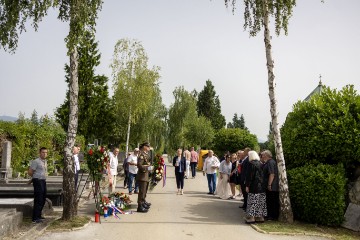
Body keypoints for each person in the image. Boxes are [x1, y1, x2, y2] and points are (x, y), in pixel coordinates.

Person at [245, 150, 267, 223]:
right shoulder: (261, 164)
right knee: (260, 201)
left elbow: (249, 176)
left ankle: (252, 218)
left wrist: (247, 185)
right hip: (261, 185)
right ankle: (260, 217)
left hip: (253, 186)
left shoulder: (250, 164)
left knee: (253, 201)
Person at [28, 147, 48, 224]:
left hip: (43, 181)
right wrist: (34, 178)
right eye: (43, 152)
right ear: (40, 153)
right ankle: (35, 218)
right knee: (39, 199)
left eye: (46, 152)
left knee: (43, 198)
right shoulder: (36, 161)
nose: (44, 154)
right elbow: (30, 172)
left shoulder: (45, 161)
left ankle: (39, 215)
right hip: (38, 181)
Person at [261, 150, 280, 221]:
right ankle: (269, 215)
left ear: (266, 155)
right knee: (269, 201)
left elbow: (272, 174)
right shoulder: (268, 162)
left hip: (272, 186)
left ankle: (272, 216)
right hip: (271, 186)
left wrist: (269, 185)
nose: (262, 156)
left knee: (272, 201)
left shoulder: (271, 162)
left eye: (263, 155)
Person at [136, 142, 152, 213]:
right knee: (141, 192)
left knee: (144, 191)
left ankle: (142, 203)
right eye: (148, 146)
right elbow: (139, 164)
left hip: (145, 176)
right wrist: (146, 169)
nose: (149, 148)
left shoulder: (145, 154)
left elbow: (147, 163)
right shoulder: (141, 155)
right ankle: (140, 207)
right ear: (144, 147)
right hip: (142, 176)